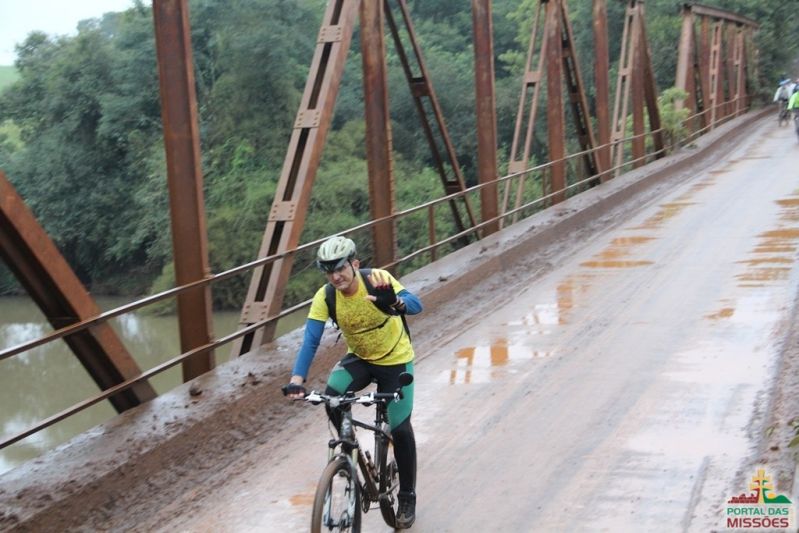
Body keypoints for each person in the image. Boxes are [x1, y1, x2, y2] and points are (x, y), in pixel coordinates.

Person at [283, 235, 423, 529]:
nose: (336, 276)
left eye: (340, 268)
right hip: (360, 359)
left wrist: (394, 302)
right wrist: (297, 379)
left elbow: (416, 304)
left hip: (395, 360)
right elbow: (311, 340)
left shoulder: (377, 280)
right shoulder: (326, 296)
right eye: (329, 271)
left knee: (400, 427)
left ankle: (407, 496)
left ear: (355, 264)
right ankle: (348, 454)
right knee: (332, 396)